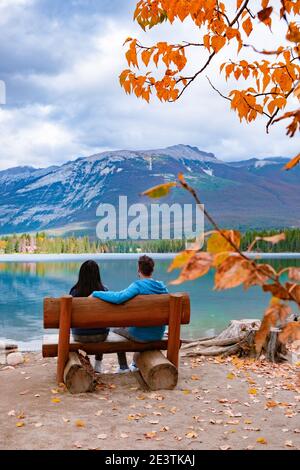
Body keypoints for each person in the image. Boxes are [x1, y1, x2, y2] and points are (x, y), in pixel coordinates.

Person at [92, 255, 168, 372]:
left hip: (141, 336)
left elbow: (118, 298)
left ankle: (123, 367)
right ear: (152, 270)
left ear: (138, 269)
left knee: (116, 331)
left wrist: (97, 293)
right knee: (131, 327)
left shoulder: (138, 286)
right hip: (158, 334)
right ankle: (135, 364)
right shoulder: (162, 287)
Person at [70, 260, 129, 373]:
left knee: (97, 324)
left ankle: (90, 364)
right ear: (97, 274)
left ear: (81, 274)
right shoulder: (104, 290)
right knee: (100, 325)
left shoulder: (74, 291)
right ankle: (98, 364)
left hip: (79, 336)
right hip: (100, 336)